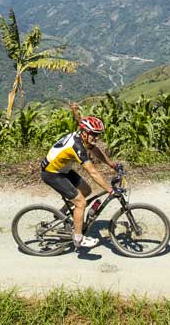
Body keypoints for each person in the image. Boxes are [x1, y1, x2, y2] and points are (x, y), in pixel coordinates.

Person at [40, 105, 121, 249]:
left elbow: (96, 150)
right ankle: (78, 238)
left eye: (98, 134)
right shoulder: (76, 147)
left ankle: (62, 213)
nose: (96, 138)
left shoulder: (83, 136)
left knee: (86, 190)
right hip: (51, 173)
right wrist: (110, 190)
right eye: (94, 134)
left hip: (62, 170)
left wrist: (112, 165)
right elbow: (93, 172)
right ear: (84, 133)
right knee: (81, 203)